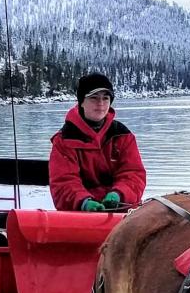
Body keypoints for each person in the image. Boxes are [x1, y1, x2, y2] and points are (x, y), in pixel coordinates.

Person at [49, 73, 146, 212]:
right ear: (82, 102)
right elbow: (63, 182)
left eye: (105, 98)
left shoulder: (123, 135)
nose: (100, 103)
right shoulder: (64, 140)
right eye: (94, 98)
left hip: (121, 211)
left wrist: (119, 194)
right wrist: (84, 202)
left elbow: (134, 175)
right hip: (80, 215)